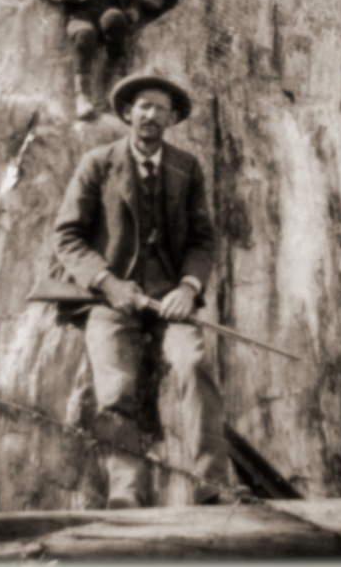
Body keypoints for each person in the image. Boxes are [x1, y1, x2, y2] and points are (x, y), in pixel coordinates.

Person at [54, 71, 232, 508]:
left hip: (169, 300)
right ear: (129, 113)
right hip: (109, 299)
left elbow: (202, 239)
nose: (151, 114)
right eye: (143, 105)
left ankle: (214, 486)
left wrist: (188, 289)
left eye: (160, 107)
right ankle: (127, 492)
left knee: (194, 365)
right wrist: (109, 284)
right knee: (115, 389)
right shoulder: (98, 162)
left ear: (172, 118)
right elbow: (67, 237)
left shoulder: (186, 167)